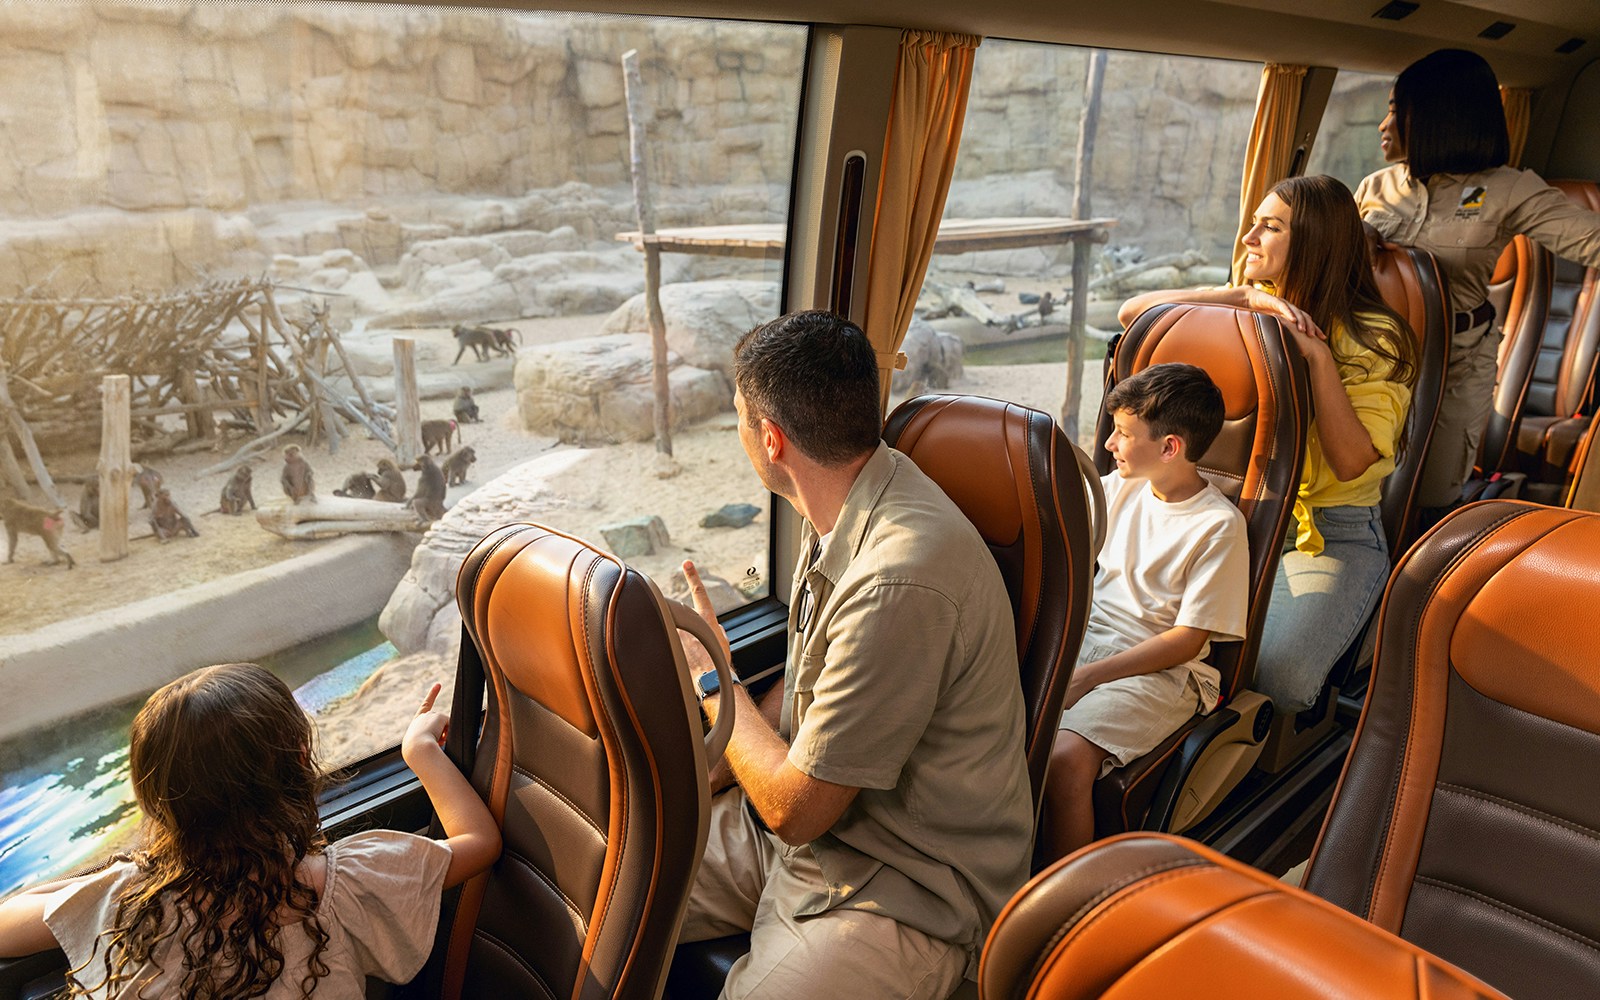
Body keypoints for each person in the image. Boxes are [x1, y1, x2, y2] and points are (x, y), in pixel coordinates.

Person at [674, 310, 1032, 999]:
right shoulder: (845, 500)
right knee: (611, 882)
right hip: (810, 842)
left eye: (741, 419)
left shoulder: (900, 578)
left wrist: (713, 677)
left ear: (771, 440)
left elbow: (796, 810)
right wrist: (711, 762)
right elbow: (817, 686)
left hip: (906, 885)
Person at [0, 663, 500, 999]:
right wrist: (420, 752)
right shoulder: (347, 885)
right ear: (301, 762)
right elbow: (480, 843)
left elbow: (5, 925)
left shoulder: (124, 901)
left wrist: (127, 872)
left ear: (155, 799)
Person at [1118, 174, 1418, 716]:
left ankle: (1365, 624)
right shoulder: (1249, 311)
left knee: (1275, 676)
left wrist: (1318, 358)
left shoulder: (1378, 337)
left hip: (1326, 534)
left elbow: (1352, 463)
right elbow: (1134, 315)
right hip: (1225, 516)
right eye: (1252, 223)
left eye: (1269, 227)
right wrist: (1238, 294)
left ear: (1314, 243)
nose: (1248, 238)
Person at [1357, 47, 1600, 516]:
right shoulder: (1374, 188)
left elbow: (1590, 240)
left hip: (1457, 366)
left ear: (1435, 116)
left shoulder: (1510, 187)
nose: (1384, 126)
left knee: (1428, 501)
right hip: (1377, 361)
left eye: (1394, 111)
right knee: (1363, 491)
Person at [1040, 363, 1249, 861]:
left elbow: (1187, 641)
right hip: (1091, 639)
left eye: (1123, 434)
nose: (1110, 445)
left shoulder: (1218, 527)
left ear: (1170, 447)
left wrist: (1088, 676)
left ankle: (1065, 903)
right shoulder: (1119, 489)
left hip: (1164, 668)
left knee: (1065, 759)